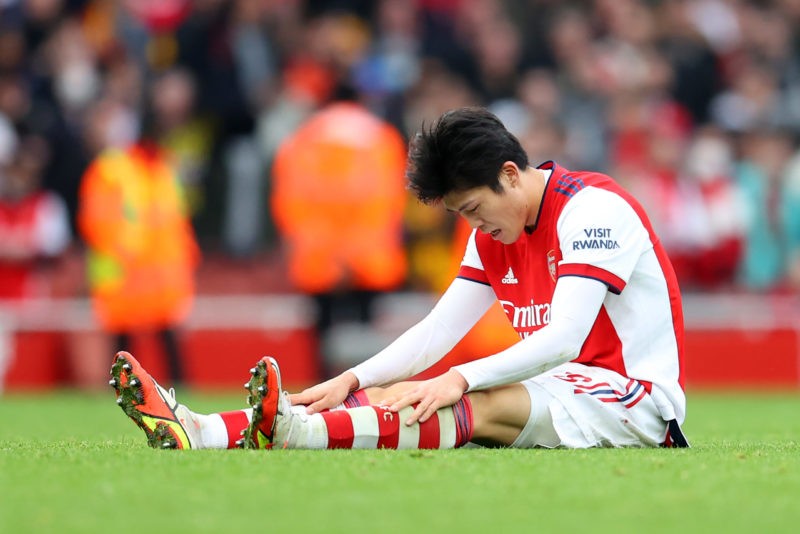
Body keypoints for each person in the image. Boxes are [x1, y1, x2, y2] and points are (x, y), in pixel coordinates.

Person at [110, 107, 688, 450]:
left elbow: (562, 341)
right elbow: (437, 331)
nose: (474, 225)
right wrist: (350, 378)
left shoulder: (594, 210)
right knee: (398, 394)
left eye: (471, 209)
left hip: (634, 400)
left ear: (510, 175)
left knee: (467, 401)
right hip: (560, 389)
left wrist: (457, 380)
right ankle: (204, 430)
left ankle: (296, 434)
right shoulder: (494, 232)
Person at [79, 104, 200, 387]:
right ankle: (124, 392)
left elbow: (176, 221)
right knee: (125, 341)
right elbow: (97, 221)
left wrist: (186, 260)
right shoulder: (111, 170)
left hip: (160, 275)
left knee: (165, 338)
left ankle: (178, 392)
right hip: (125, 272)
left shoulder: (164, 169)